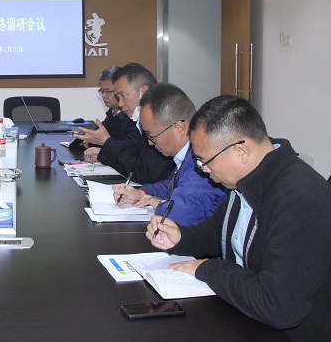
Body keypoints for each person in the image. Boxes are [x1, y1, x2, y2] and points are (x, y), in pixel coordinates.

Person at [147, 95, 331, 342]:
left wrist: (208, 269)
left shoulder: (298, 199)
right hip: (254, 323)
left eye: (205, 161)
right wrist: (181, 237)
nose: (204, 170)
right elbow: (219, 232)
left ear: (240, 151)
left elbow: (280, 306)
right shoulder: (245, 181)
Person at [112, 83, 226, 226]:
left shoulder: (202, 161)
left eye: (152, 136)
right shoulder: (186, 155)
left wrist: (156, 202)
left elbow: (182, 214)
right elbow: (171, 186)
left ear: (179, 128)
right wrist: (141, 193)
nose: (150, 143)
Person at [79, 63, 173, 184]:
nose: (120, 104)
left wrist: (107, 144)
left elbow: (145, 173)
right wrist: (104, 153)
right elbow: (136, 154)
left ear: (143, 91)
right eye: (118, 97)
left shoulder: (161, 124)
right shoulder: (141, 122)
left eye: (123, 96)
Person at [72, 66, 137, 152]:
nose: (103, 96)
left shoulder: (132, 115)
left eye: (108, 91)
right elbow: (100, 133)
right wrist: (88, 138)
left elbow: (131, 146)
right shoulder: (113, 112)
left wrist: (105, 142)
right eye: (102, 91)